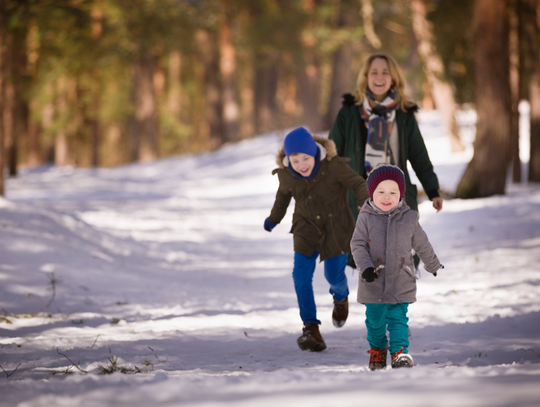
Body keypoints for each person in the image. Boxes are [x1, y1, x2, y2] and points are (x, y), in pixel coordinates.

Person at [328, 53, 443, 268]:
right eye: (374, 72)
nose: (379, 77)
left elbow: (419, 155)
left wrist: (433, 190)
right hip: (360, 197)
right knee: (365, 255)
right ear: (366, 77)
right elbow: (333, 156)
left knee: (399, 255)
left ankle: (396, 301)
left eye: (385, 72)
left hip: (396, 194)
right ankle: (371, 300)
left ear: (393, 78)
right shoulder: (349, 112)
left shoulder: (404, 114)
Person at [264, 127, 369, 352]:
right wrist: (273, 219)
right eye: (294, 160)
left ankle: (341, 298)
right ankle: (311, 328)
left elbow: (359, 184)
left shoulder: (334, 167)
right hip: (306, 229)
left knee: (333, 275)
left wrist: (365, 203)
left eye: (305, 158)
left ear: (315, 154)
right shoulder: (286, 176)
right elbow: (282, 198)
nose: (301, 165)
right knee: (300, 276)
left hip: (336, 228)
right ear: (287, 159)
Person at [350, 164, 443, 370]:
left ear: (400, 195)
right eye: (380, 192)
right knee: (374, 321)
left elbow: (422, 244)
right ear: (372, 193)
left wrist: (432, 263)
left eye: (393, 192)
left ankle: (400, 353)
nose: (386, 197)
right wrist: (365, 268)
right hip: (372, 281)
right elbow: (357, 245)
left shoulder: (409, 219)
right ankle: (378, 349)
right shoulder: (365, 218)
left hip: (401, 279)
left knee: (398, 318)